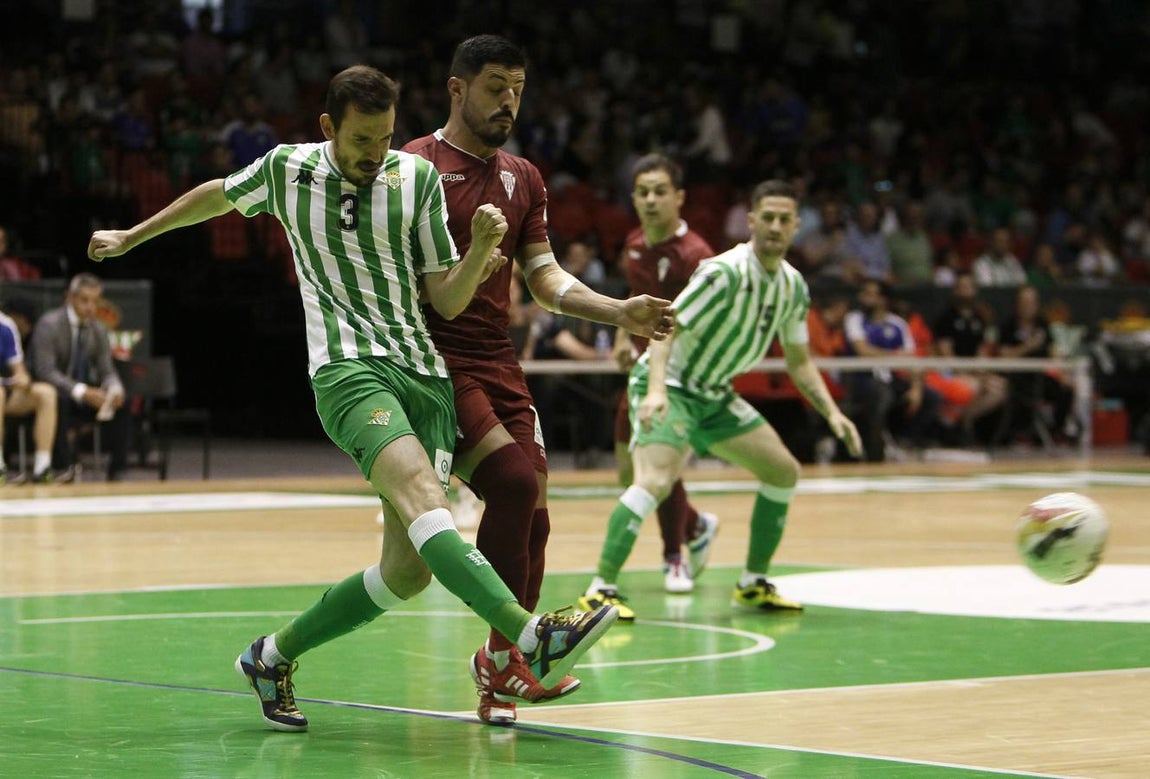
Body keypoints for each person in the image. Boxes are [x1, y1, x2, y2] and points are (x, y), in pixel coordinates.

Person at [86, 64, 620, 733]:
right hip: (348, 372)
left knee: (406, 573)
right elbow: (217, 197)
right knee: (431, 501)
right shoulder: (289, 169)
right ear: (328, 128)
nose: (376, 152)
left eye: (387, 137)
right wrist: (131, 236)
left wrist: (482, 248)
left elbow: (445, 297)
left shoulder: (414, 178)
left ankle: (271, 656)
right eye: (363, 139)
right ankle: (528, 633)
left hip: (423, 377)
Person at [401, 35, 672, 726]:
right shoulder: (412, 168)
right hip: (434, 360)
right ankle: (512, 646)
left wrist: (619, 309)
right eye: (495, 87)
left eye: (517, 88)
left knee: (537, 514)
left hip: (500, 359)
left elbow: (545, 278)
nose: (509, 102)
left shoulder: (525, 175)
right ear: (457, 89)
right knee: (514, 484)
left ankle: (499, 667)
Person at [580, 180, 861, 616]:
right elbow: (665, 327)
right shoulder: (723, 273)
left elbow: (800, 362)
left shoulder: (792, 286)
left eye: (784, 219)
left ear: (796, 227)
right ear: (751, 221)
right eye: (767, 217)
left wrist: (833, 412)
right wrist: (655, 392)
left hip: (714, 396)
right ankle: (602, 588)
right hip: (671, 386)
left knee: (783, 471)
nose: (774, 226)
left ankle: (753, 582)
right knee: (652, 481)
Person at [608, 154, 719, 602]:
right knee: (629, 474)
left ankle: (675, 553)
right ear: (634, 198)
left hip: (675, 379)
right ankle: (695, 525)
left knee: (656, 468)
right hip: (640, 373)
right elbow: (635, 299)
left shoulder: (697, 256)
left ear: (679, 198)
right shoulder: (634, 244)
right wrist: (621, 334)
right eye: (643, 192)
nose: (651, 200)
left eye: (660, 191)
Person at [30, 273, 130, 482]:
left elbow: (107, 369)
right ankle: (63, 468)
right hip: (52, 392)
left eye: (95, 301)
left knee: (121, 403)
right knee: (59, 399)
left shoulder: (98, 329)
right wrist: (82, 391)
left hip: (82, 393)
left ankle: (117, 473)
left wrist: (114, 390)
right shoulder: (49, 324)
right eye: (85, 300)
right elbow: (45, 371)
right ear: (70, 297)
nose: (90, 307)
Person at [1, 305, 58, 483]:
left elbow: (20, 370)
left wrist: (22, 379)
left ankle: (42, 468)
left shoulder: (5, 325)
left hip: (4, 390)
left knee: (46, 393)